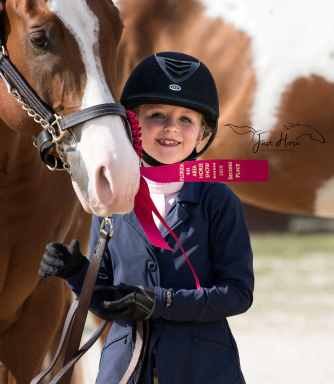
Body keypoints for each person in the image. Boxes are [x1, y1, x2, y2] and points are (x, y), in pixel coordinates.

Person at [39, 52, 254, 384]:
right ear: (133, 123)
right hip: (126, 367)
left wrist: (164, 301)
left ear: (201, 136)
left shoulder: (218, 200)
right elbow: (107, 301)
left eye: (187, 120)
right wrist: (77, 272)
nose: (171, 127)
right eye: (158, 115)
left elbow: (237, 293)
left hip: (203, 369)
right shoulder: (113, 197)